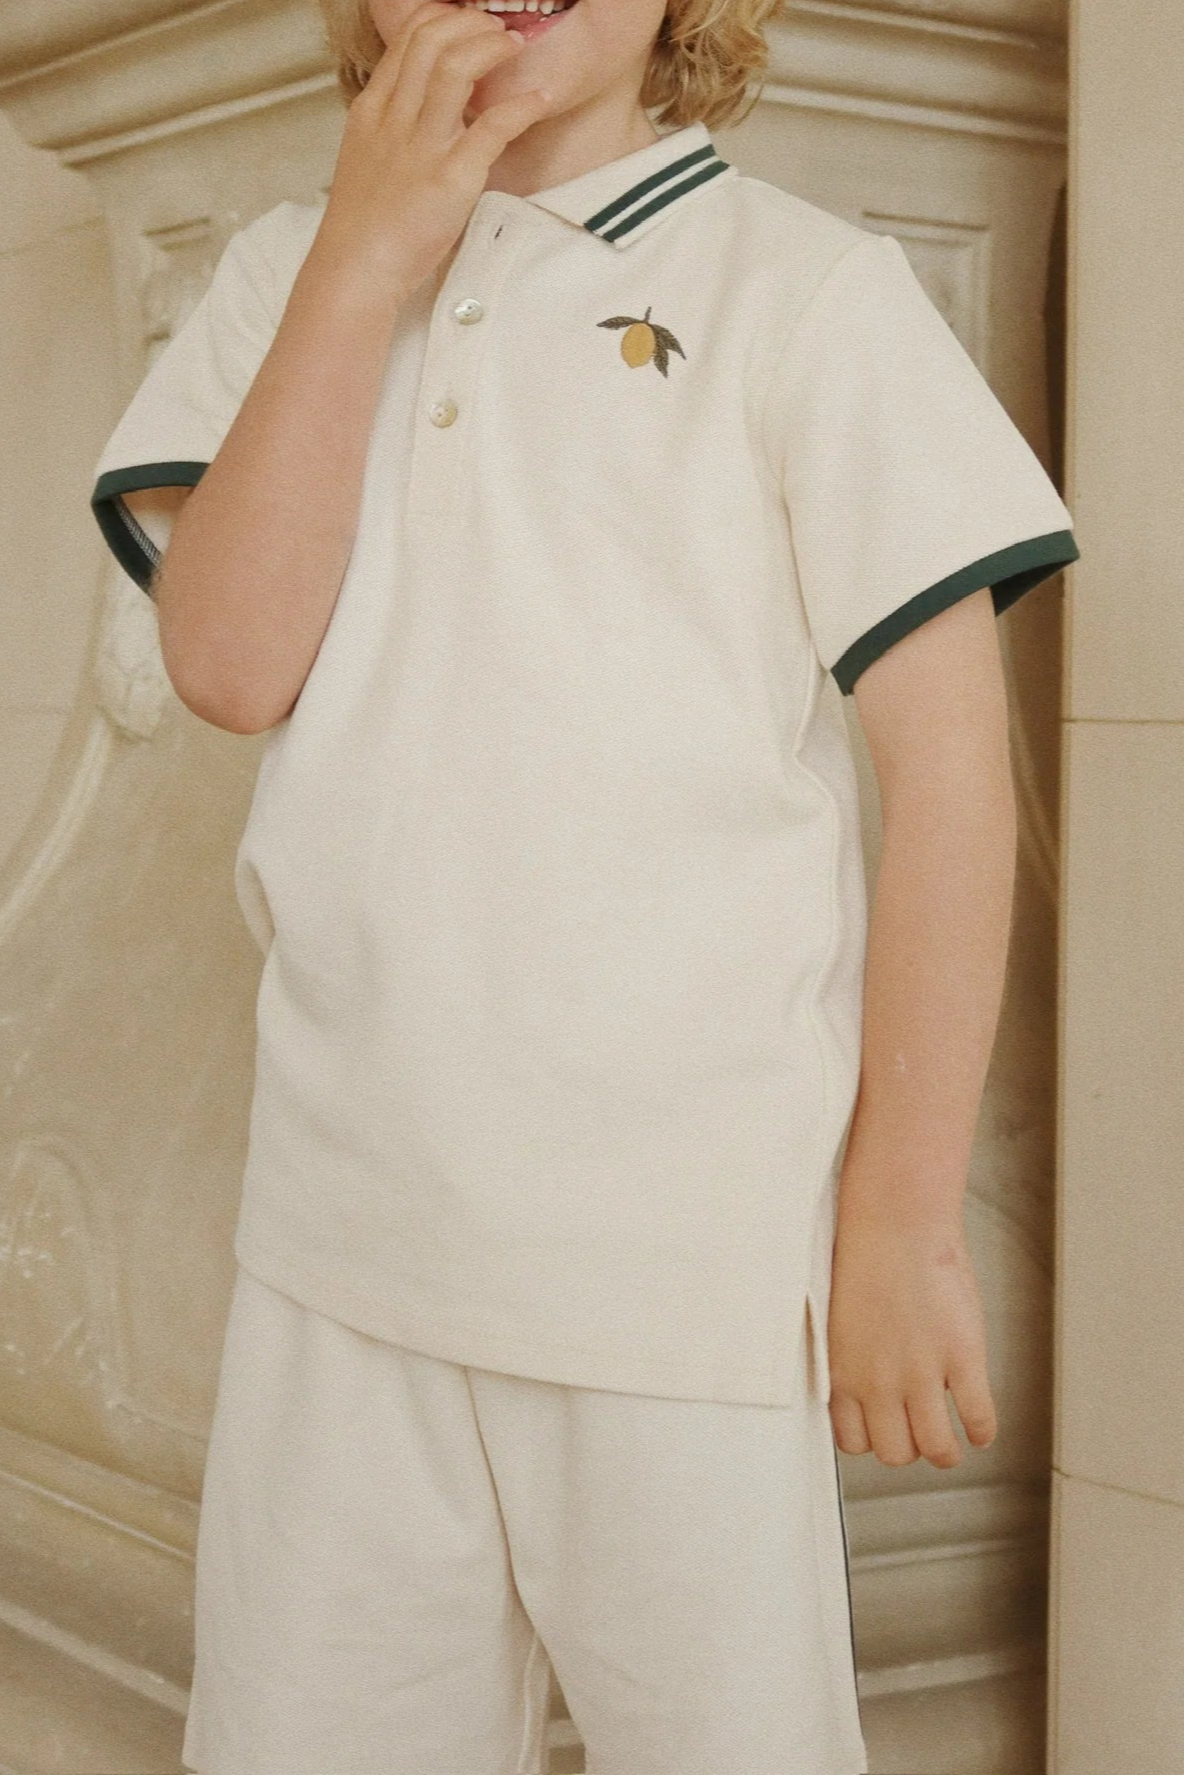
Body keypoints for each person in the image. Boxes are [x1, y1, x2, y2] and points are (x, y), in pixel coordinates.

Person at [89, 2, 1079, 1771]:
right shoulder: (280, 276)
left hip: (684, 1276)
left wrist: (900, 1221)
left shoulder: (809, 293)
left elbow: (948, 784)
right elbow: (229, 666)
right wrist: (359, 262)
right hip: (337, 1248)